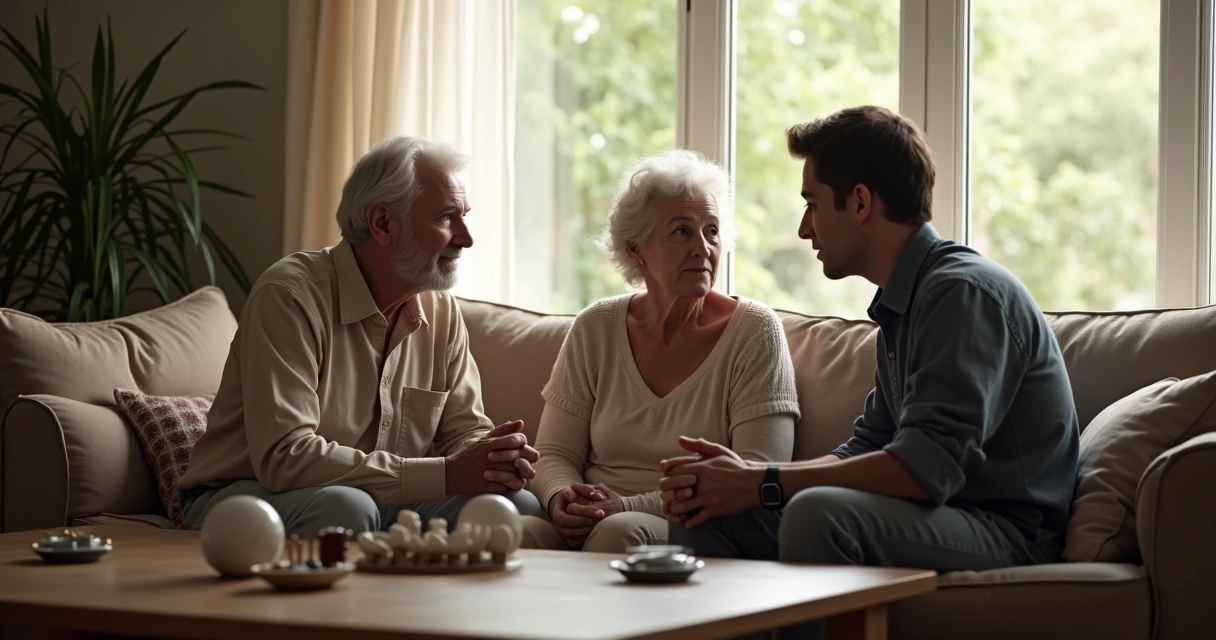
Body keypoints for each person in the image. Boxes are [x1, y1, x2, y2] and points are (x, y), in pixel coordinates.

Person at [661, 106, 1079, 603]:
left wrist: (765, 482)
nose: (803, 229)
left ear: (860, 203)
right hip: (940, 517)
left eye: (812, 204)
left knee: (818, 514)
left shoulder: (962, 294)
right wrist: (733, 484)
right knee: (707, 510)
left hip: (1007, 532)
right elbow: (870, 445)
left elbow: (925, 470)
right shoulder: (907, 302)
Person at [180, 136, 546, 535]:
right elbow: (285, 458)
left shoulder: (442, 312)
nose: (466, 237)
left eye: (464, 216)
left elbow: (463, 432)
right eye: (445, 217)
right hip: (246, 495)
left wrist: (491, 460)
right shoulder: (289, 297)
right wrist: (443, 475)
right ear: (383, 223)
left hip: (377, 499)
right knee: (346, 508)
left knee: (516, 504)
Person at [521, 150, 799, 554]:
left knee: (618, 533)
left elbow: (752, 474)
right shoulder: (595, 327)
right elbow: (554, 452)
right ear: (636, 249)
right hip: (595, 518)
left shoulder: (755, 331)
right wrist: (563, 498)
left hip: (696, 528)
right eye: (682, 232)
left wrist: (623, 507)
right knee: (517, 533)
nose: (703, 248)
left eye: (712, 231)